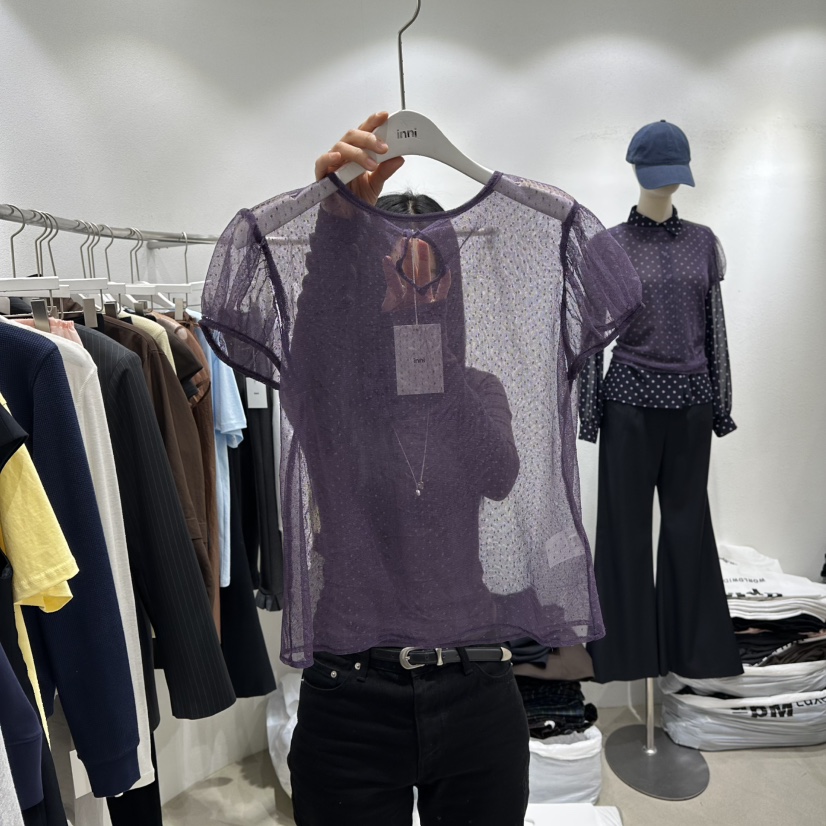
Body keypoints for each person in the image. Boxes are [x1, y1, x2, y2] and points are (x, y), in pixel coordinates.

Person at [285, 112, 530, 826]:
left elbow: (500, 473)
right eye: (398, 275)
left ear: (453, 285)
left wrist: (439, 367)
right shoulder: (335, 397)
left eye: (433, 279)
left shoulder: (477, 389)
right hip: (352, 692)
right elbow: (312, 354)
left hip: (476, 678)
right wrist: (339, 226)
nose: (417, 295)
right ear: (370, 277)